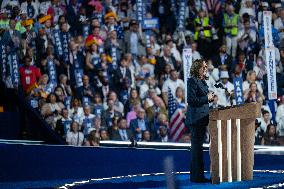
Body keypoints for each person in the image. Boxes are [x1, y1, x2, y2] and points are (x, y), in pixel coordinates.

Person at [185, 59, 214, 183]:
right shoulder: (192, 81)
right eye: (204, 66)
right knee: (196, 148)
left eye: (206, 66)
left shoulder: (203, 81)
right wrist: (206, 98)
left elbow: (202, 99)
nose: (206, 68)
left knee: (199, 148)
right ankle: (197, 177)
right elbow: (191, 100)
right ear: (197, 68)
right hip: (196, 119)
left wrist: (210, 98)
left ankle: (198, 176)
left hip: (203, 118)